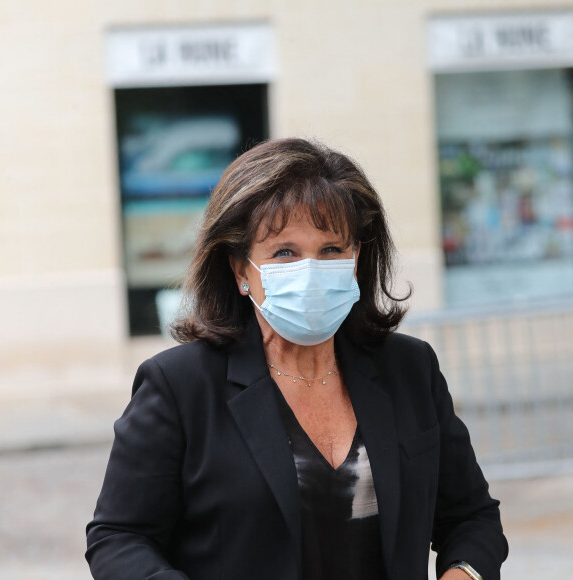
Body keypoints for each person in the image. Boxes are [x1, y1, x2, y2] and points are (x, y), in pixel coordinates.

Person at [86, 138, 508, 580]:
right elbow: (118, 538)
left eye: (331, 250)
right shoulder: (180, 385)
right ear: (240, 269)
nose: (311, 270)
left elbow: (471, 517)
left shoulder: (410, 369)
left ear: (357, 258)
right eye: (284, 252)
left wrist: (463, 573)